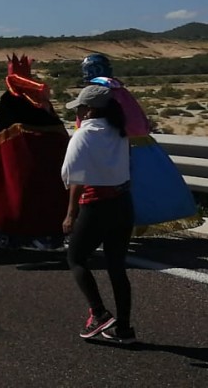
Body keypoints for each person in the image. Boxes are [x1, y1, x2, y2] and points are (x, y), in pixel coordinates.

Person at [80, 54, 198, 232]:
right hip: (143, 146)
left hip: (114, 146)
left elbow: (86, 123)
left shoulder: (96, 93)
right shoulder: (119, 88)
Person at [62, 84, 136, 344]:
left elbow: (74, 177)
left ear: (90, 109)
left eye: (80, 107)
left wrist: (71, 214)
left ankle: (99, 313)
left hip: (96, 205)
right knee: (117, 267)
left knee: (76, 258)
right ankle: (125, 329)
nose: (79, 112)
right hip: (124, 204)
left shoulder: (84, 135)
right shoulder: (120, 132)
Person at [0, 54, 69, 249]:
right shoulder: (40, 100)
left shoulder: (11, 100)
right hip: (48, 159)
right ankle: (48, 235)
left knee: (14, 193)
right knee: (46, 194)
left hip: (17, 159)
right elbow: (59, 130)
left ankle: (11, 235)